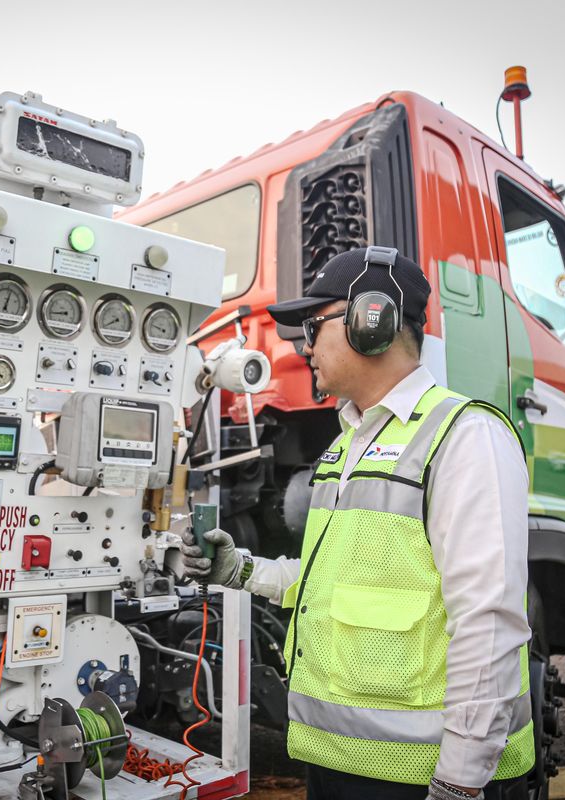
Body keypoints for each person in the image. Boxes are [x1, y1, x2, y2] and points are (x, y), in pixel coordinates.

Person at [182, 246, 535, 800]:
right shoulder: (348, 444)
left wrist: (460, 782)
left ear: (373, 322)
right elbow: (329, 582)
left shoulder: (465, 437)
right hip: (337, 759)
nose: (303, 347)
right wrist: (241, 570)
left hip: (420, 777)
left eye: (313, 327)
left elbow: (487, 622)